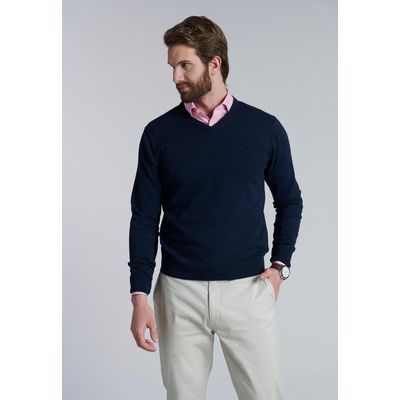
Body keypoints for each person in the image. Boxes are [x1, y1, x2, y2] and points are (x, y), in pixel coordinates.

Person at [128, 15, 303, 400]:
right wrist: (139, 295)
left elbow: (289, 200)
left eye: (184, 65)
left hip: (248, 290)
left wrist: (280, 267)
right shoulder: (158, 134)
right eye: (172, 67)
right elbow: (144, 217)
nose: (175, 76)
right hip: (179, 293)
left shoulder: (264, 129)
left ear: (214, 64)